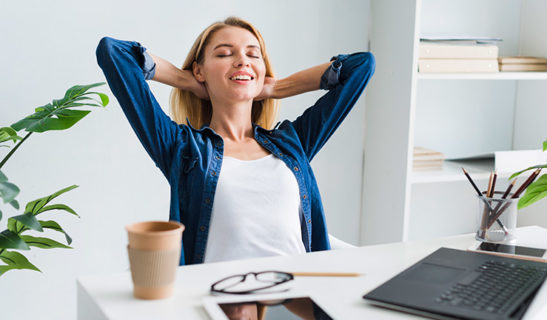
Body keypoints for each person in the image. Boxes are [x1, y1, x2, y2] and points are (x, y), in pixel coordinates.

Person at [96, 15, 373, 274]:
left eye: (253, 55)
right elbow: (114, 53)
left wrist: (276, 88)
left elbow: (361, 66)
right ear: (199, 71)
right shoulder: (183, 149)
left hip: (293, 301)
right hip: (219, 301)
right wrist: (186, 82)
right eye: (225, 54)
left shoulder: (292, 144)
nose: (242, 60)